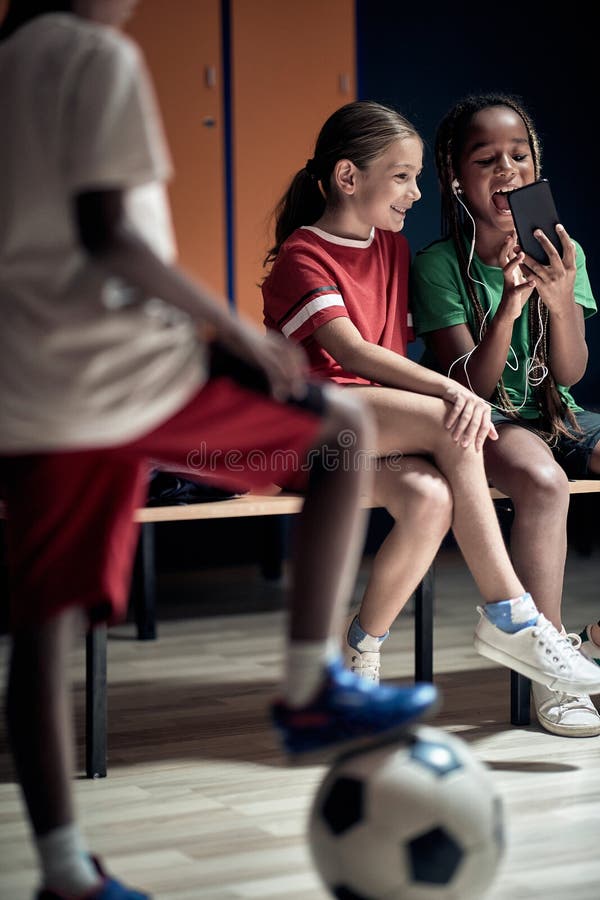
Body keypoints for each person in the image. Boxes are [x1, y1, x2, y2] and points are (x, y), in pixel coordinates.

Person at [0, 5, 441, 899]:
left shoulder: (10, 57)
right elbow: (109, 235)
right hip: (125, 372)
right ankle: (308, 683)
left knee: (42, 637)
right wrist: (232, 328)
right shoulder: (94, 56)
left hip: (32, 388)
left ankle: (61, 872)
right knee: (342, 429)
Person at [261, 99, 600, 702]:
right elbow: (355, 354)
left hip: (374, 431)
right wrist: (448, 387)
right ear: (347, 177)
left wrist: (530, 297)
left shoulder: (390, 249)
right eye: (401, 177)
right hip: (309, 433)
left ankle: (358, 649)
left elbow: (558, 365)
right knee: (456, 418)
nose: (415, 194)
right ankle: (511, 614)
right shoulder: (301, 257)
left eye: (418, 178)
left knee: (430, 498)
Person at [411, 93, 600, 737]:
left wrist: (558, 296)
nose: (506, 171)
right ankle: (552, 676)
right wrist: (511, 306)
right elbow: (471, 385)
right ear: (455, 177)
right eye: (486, 159)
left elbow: (571, 374)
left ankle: (591, 640)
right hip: (485, 423)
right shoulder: (437, 266)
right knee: (543, 482)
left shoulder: (561, 253)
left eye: (519, 156)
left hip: (558, 412)